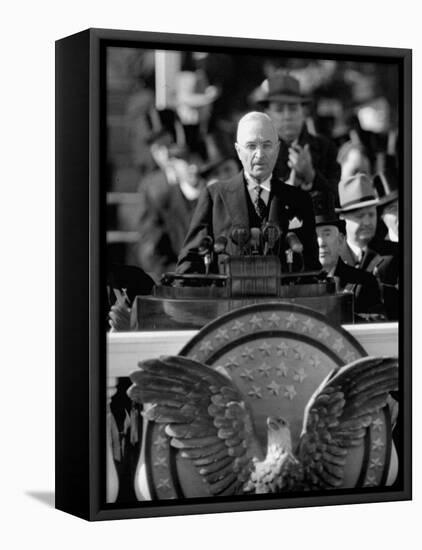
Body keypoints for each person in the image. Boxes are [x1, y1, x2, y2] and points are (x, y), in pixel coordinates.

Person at [176, 112, 320, 274]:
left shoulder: (299, 200)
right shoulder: (215, 197)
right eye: (251, 146)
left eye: (267, 145)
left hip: (282, 299)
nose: (260, 155)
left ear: (278, 148)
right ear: (238, 150)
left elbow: (312, 266)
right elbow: (189, 264)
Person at [257, 72, 341, 201]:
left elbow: (338, 198)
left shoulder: (325, 147)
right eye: (279, 110)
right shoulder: (258, 154)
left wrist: (311, 176)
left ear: (304, 112)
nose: (287, 116)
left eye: (293, 108)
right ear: (267, 114)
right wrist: (290, 185)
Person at [134, 142, 205, 280]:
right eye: (185, 161)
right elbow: (152, 251)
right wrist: (175, 274)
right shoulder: (163, 203)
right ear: (173, 166)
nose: (193, 167)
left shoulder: (216, 199)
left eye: (196, 160)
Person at [312, 192, 384, 319]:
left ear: (340, 240)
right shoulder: (298, 283)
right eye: (314, 236)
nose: (321, 243)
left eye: (327, 234)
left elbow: (376, 322)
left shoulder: (364, 282)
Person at [337, 173, 399, 320]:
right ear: (343, 218)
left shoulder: (395, 255)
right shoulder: (332, 257)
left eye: (371, 215)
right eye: (359, 216)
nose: (367, 222)